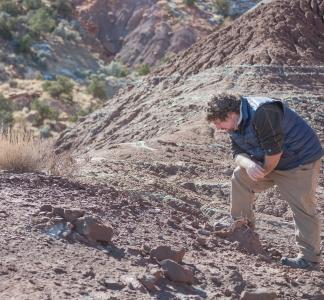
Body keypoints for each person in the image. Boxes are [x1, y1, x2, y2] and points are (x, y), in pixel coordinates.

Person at [206, 93, 323, 270]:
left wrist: (263, 171)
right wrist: (249, 164)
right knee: (240, 176)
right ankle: (243, 231)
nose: (218, 128)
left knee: (302, 206)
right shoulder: (234, 123)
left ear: (230, 114)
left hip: (299, 161)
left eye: (218, 123)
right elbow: (237, 152)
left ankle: (309, 259)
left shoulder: (263, 111)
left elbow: (274, 151)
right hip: (269, 160)